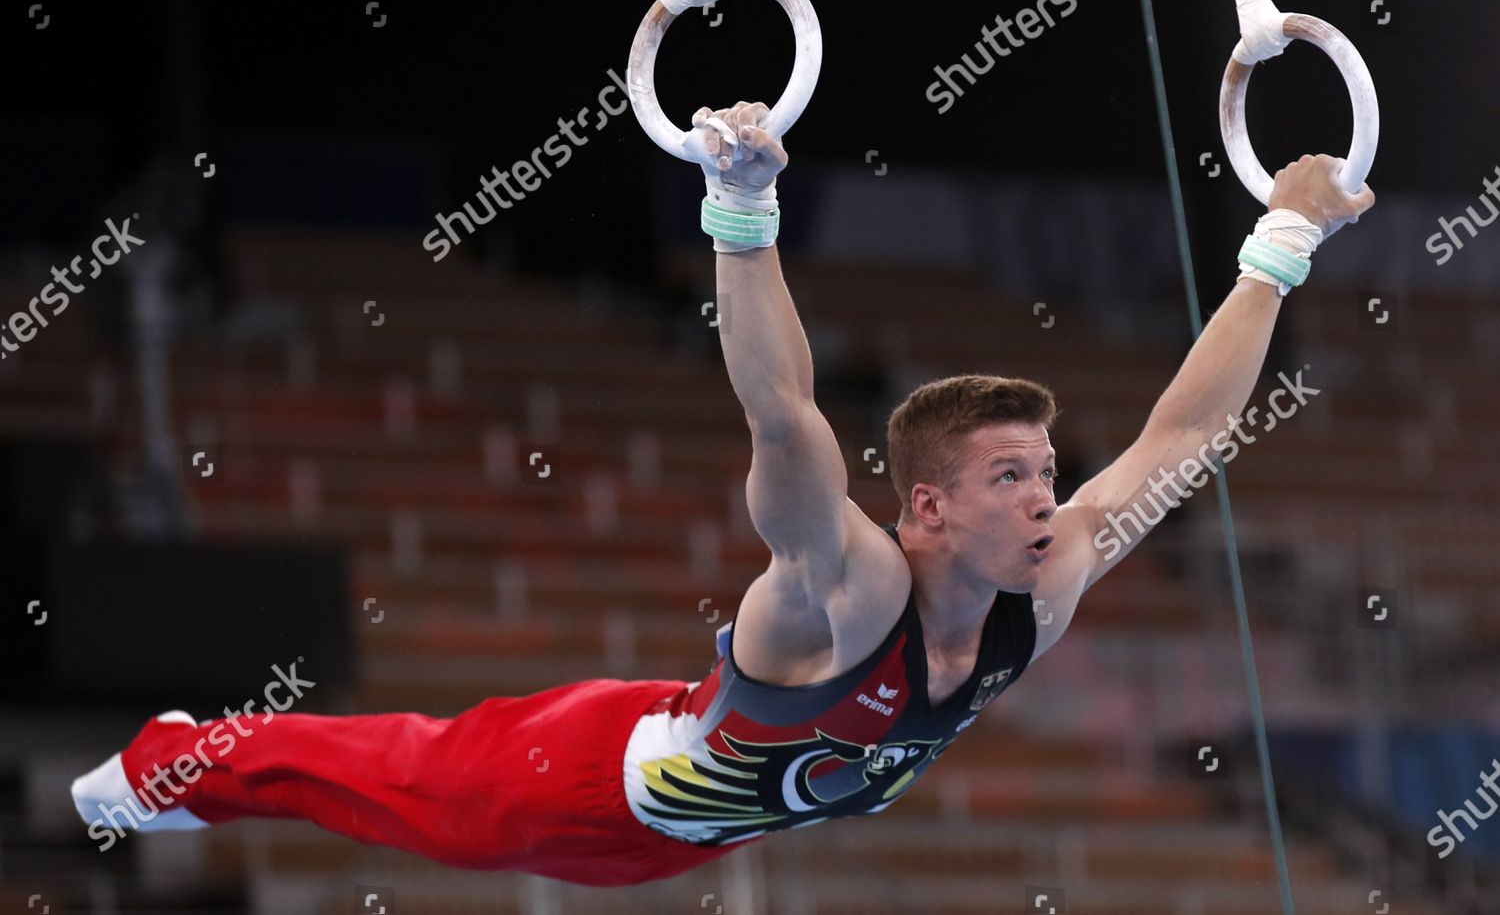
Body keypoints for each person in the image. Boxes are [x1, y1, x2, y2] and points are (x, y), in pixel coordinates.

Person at [71, 101, 1375, 887]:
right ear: (925, 509)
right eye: (1010, 477)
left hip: (698, 836)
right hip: (582, 781)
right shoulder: (848, 590)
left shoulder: (1054, 581)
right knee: (382, 784)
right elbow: (782, 411)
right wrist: (742, 208)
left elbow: (1188, 432)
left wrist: (1283, 240)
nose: (1049, 497)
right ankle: (176, 754)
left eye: (1045, 470)